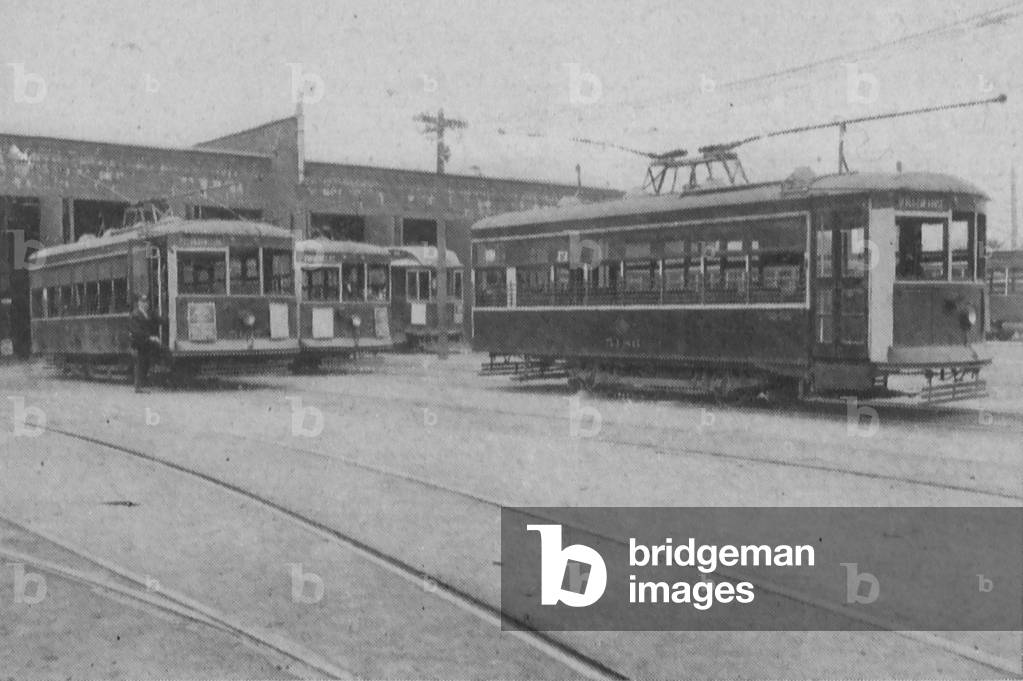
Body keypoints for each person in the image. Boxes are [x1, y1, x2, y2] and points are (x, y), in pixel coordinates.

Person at [128, 294, 164, 393]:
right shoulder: (135, 315)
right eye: (143, 302)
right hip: (138, 343)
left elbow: (159, 320)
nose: (145, 304)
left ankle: (144, 384)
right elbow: (137, 331)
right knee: (139, 364)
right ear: (139, 303)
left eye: (146, 302)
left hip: (146, 343)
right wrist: (150, 337)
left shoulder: (148, 313)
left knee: (145, 363)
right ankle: (138, 387)